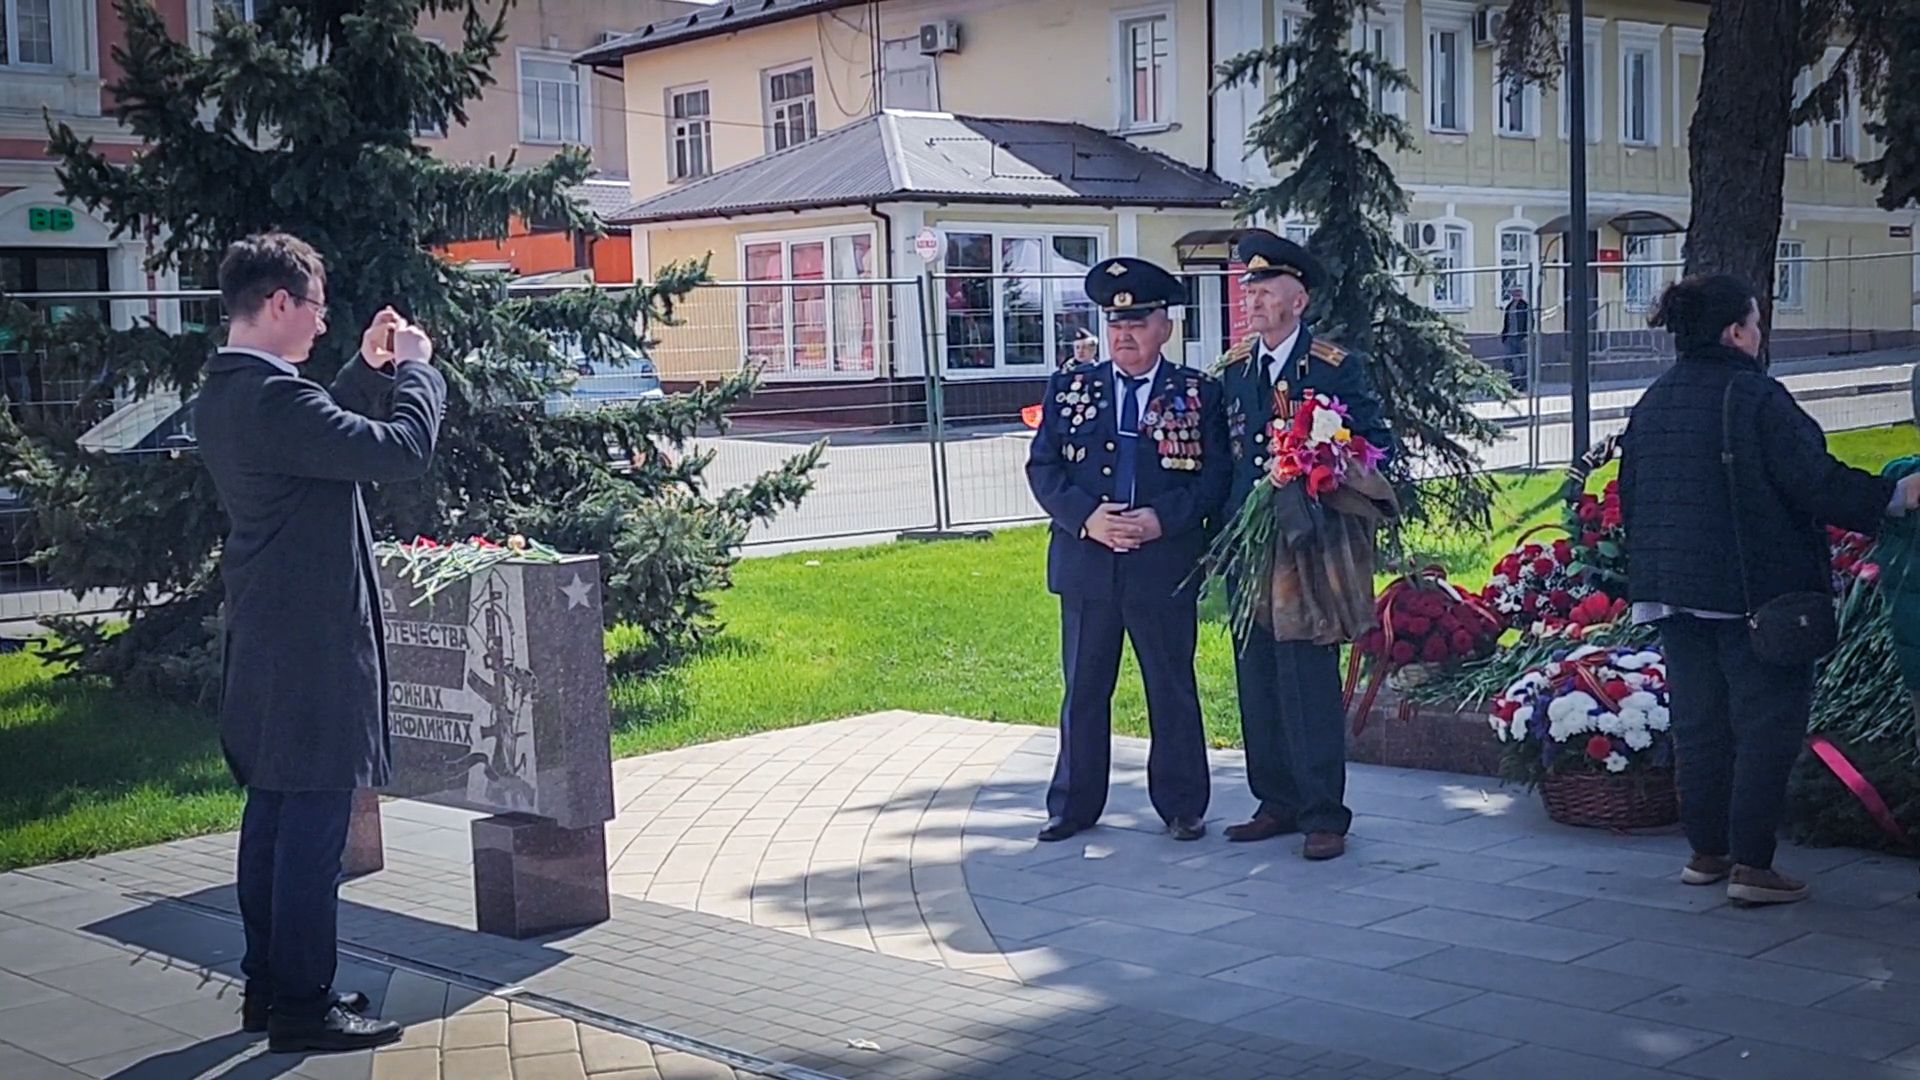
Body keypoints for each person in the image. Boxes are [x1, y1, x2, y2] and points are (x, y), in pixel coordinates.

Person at [194, 233, 447, 1050]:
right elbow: (402, 453)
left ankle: (269, 989)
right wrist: (416, 370)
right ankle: (304, 1005)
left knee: (271, 817)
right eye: (315, 307)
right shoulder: (274, 400)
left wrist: (362, 375)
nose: (320, 321)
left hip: (267, 642)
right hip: (311, 652)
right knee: (310, 832)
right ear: (278, 304)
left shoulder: (230, 391)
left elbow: (317, 439)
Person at [1619, 272, 1920, 906]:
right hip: (1753, 592)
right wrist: (1891, 496)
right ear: (1735, 331)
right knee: (1767, 726)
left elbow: (1634, 494)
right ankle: (1753, 866)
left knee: (1701, 727)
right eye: (1756, 323)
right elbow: (1814, 480)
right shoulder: (1755, 397)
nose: (1760, 335)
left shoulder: (1657, 397)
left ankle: (1707, 853)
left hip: (1670, 590)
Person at [1024, 256, 1229, 843]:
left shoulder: (1195, 393)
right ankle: (1073, 805)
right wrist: (1088, 519)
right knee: (1084, 689)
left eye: (1138, 323)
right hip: (1088, 564)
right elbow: (1043, 468)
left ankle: (1183, 804)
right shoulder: (1071, 387)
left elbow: (1213, 478)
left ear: (1165, 326)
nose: (1124, 335)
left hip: (1161, 564)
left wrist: (1161, 521)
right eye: (1115, 325)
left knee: (1170, 686)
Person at [1215, 230, 1390, 861]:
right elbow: (1220, 458)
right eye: (1249, 292)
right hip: (1248, 544)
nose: (1253, 302)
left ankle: (1324, 812)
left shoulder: (1332, 366)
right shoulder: (1235, 371)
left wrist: (1327, 460)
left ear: (1298, 299)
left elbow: (1376, 444)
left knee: (1305, 676)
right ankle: (1276, 800)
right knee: (1256, 672)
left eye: (1264, 292)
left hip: (1308, 546)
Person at [1500, 287, 1531, 390]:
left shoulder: (1525, 306)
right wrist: (1504, 335)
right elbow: (1506, 322)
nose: (1517, 295)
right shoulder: (1509, 306)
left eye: (1519, 292)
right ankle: (1512, 382)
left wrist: (1526, 334)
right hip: (1510, 337)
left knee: (1522, 362)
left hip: (1520, 337)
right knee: (1508, 360)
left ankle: (1523, 384)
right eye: (1515, 293)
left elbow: (1530, 321)